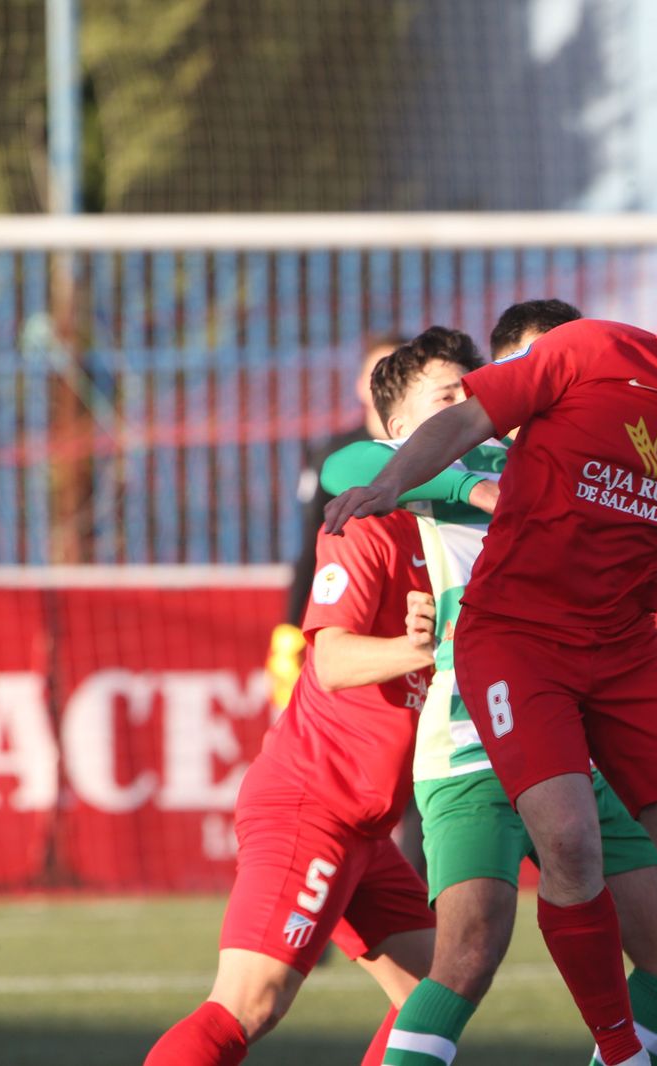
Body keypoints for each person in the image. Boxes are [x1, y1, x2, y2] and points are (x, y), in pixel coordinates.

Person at [325, 284, 657, 1066]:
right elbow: (460, 420)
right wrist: (390, 484)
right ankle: (618, 1052)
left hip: (625, 657)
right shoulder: (597, 351)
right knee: (549, 869)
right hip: (515, 646)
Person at [321, 304, 657, 1066]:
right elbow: (349, 467)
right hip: (473, 741)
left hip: (581, 739)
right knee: (465, 956)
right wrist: (470, 490)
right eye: (448, 396)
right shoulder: (456, 464)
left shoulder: (587, 460)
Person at [143, 335, 493, 1066]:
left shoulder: (463, 528)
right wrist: (423, 649)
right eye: (447, 397)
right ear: (394, 433)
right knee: (248, 1005)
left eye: (476, 392)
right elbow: (329, 660)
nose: (470, 408)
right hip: (313, 803)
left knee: (434, 996)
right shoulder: (369, 519)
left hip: (366, 829)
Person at [266, 333, 404, 712]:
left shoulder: (438, 454)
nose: (388, 382)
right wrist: (291, 628)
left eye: (401, 371)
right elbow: (311, 545)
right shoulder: (334, 458)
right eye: (379, 372)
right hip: (352, 622)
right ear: (361, 385)